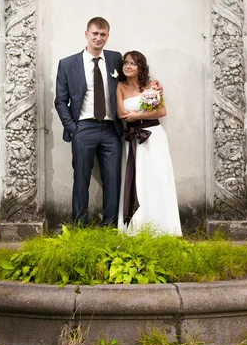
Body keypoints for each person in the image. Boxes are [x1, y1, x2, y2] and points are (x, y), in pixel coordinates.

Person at [54, 17, 123, 226]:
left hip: (111, 129)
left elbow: (130, 79)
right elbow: (60, 101)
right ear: (86, 34)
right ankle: (80, 227)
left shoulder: (116, 59)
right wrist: (74, 129)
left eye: (103, 34)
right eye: (95, 33)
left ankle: (110, 226)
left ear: (108, 36)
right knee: (81, 179)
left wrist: (149, 88)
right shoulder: (67, 64)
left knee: (112, 179)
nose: (98, 38)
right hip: (83, 128)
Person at [116, 51, 182, 236]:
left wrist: (139, 115)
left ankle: (164, 226)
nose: (128, 66)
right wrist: (135, 116)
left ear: (140, 67)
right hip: (133, 138)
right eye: (126, 63)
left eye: (133, 64)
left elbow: (161, 111)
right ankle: (136, 225)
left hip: (154, 135)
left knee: (158, 177)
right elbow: (121, 113)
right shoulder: (120, 87)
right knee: (136, 180)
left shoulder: (151, 86)